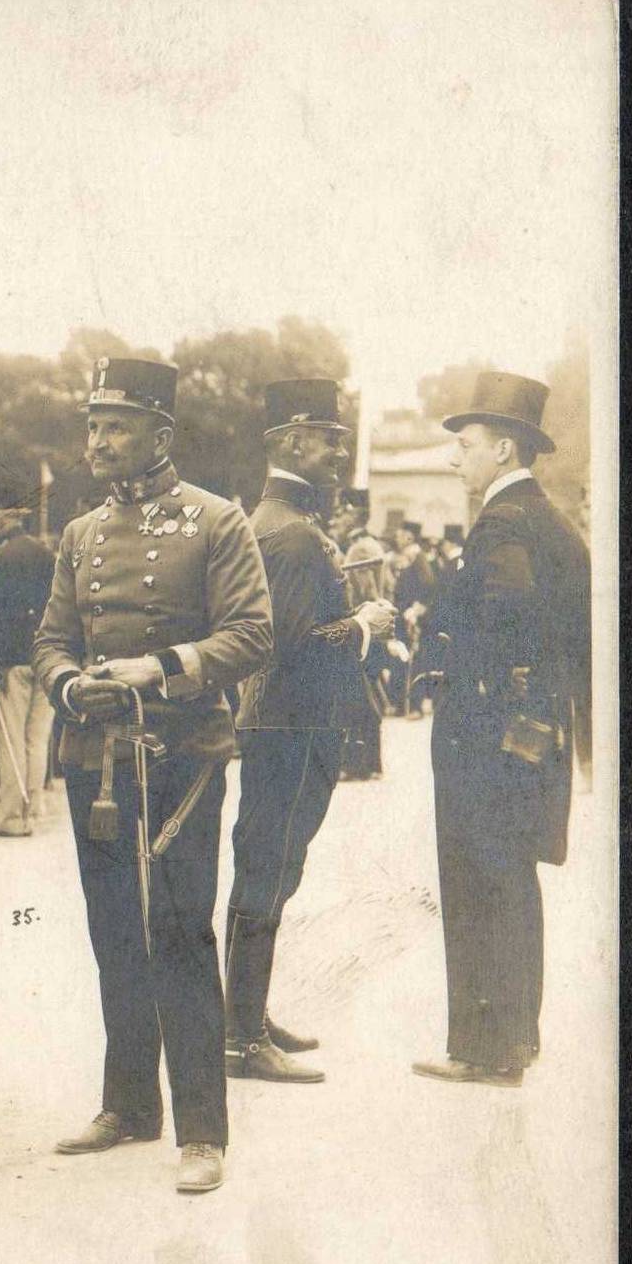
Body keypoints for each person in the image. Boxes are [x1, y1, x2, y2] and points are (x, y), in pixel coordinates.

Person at [33, 356, 272, 1193]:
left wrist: (159, 666)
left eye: (117, 426)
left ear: (160, 436)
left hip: (180, 761)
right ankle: (130, 1104)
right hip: (96, 762)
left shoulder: (216, 522)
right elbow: (51, 639)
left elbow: (250, 636)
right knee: (114, 936)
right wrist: (69, 683)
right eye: (92, 424)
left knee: (178, 933)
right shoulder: (80, 534)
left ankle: (202, 1132)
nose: (97, 440)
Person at [413, 371, 592, 1088]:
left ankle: (487, 1050)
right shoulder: (546, 518)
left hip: (486, 735)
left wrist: (460, 669)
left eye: (465, 445)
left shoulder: (504, 521)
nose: (454, 459)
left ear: (504, 449)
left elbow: (506, 607)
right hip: (526, 730)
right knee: (511, 880)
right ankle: (515, 1037)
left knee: (479, 881)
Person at [224, 382, 397, 1082]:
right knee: (269, 870)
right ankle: (239, 1038)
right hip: (293, 723)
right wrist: (363, 625)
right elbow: (292, 643)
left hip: (283, 722)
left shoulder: (279, 519)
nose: (340, 450)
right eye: (330, 438)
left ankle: (247, 1017)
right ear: (293, 442)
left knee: (268, 868)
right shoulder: (291, 533)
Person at [0, 508, 56, 836]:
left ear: (4, 518)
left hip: (11, 661)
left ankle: (12, 815)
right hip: (46, 658)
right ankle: (33, 808)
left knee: (10, 740)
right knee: (36, 741)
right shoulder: (47, 556)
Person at [330, 488, 386, 779]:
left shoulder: (359, 549)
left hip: (364, 625)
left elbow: (367, 591)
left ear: (354, 514)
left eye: (342, 513)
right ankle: (371, 763)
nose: (337, 520)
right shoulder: (370, 544)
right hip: (372, 627)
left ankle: (359, 763)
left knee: (359, 697)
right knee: (368, 694)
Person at [389, 520, 437, 716]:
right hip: (402, 615)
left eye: (400, 535)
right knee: (402, 659)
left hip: (412, 618)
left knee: (414, 661)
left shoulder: (418, 558)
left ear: (409, 536)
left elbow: (428, 587)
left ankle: (414, 705)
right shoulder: (408, 557)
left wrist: (415, 610)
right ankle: (401, 704)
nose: (397, 539)